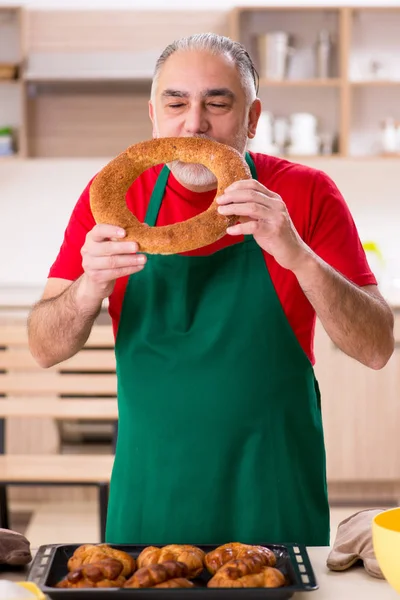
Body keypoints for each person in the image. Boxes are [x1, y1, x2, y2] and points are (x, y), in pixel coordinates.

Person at [27, 33, 394, 547]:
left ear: (252, 118)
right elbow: (44, 348)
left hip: (274, 490)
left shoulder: (307, 193)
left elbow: (377, 349)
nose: (194, 123)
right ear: (153, 116)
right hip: (152, 491)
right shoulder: (113, 202)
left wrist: (296, 255)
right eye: (175, 103)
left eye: (217, 103)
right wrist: (90, 285)